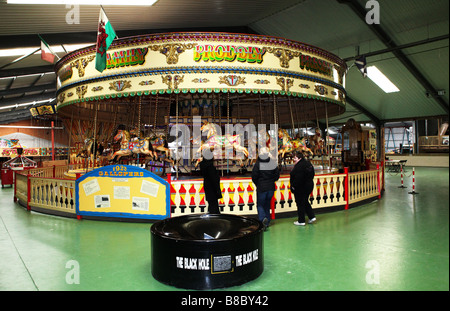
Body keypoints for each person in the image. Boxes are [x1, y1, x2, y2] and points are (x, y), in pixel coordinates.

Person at [252, 147, 280, 230]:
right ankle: (267, 222)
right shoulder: (272, 162)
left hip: (261, 187)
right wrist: (272, 181)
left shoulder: (258, 163)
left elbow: (254, 176)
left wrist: (258, 184)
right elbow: (277, 175)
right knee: (267, 205)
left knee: (260, 205)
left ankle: (262, 220)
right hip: (271, 187)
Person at [290, 151, 316, 226]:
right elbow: (312, 173)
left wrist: (293, 186)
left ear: (299, 158)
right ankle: (311, 216)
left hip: (301, 187)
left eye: (295, 158)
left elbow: (298, 178)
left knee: (300, 202)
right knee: (304, 201)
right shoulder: (308, 163)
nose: (293, 159)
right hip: (309, 185)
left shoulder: (299, 166)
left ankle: (301, 220)